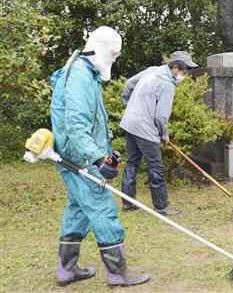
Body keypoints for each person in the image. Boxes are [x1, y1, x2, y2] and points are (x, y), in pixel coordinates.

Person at [50, 26, 150, 287]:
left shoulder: (84, 73)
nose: (115, 60)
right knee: (102, 206)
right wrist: (97, 159)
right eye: (114, 55)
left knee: (77, 210)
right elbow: (75, 124)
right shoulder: (80, 76)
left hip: (77, 156)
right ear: (104, 50)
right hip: (79, 159)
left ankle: (66, 270)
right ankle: (118, 273)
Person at [120, 51, 198, 215]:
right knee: (156, 167)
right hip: (145, 128)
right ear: (175, 67)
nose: (184, 76)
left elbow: (129, 84)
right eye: (184, 72)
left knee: (132, 162)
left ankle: (128, 202)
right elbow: (161, 116)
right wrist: (164, 134)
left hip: (129, 123)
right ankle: (162, 206)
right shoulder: (167, 84)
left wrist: (129, 105)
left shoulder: (152, 70)